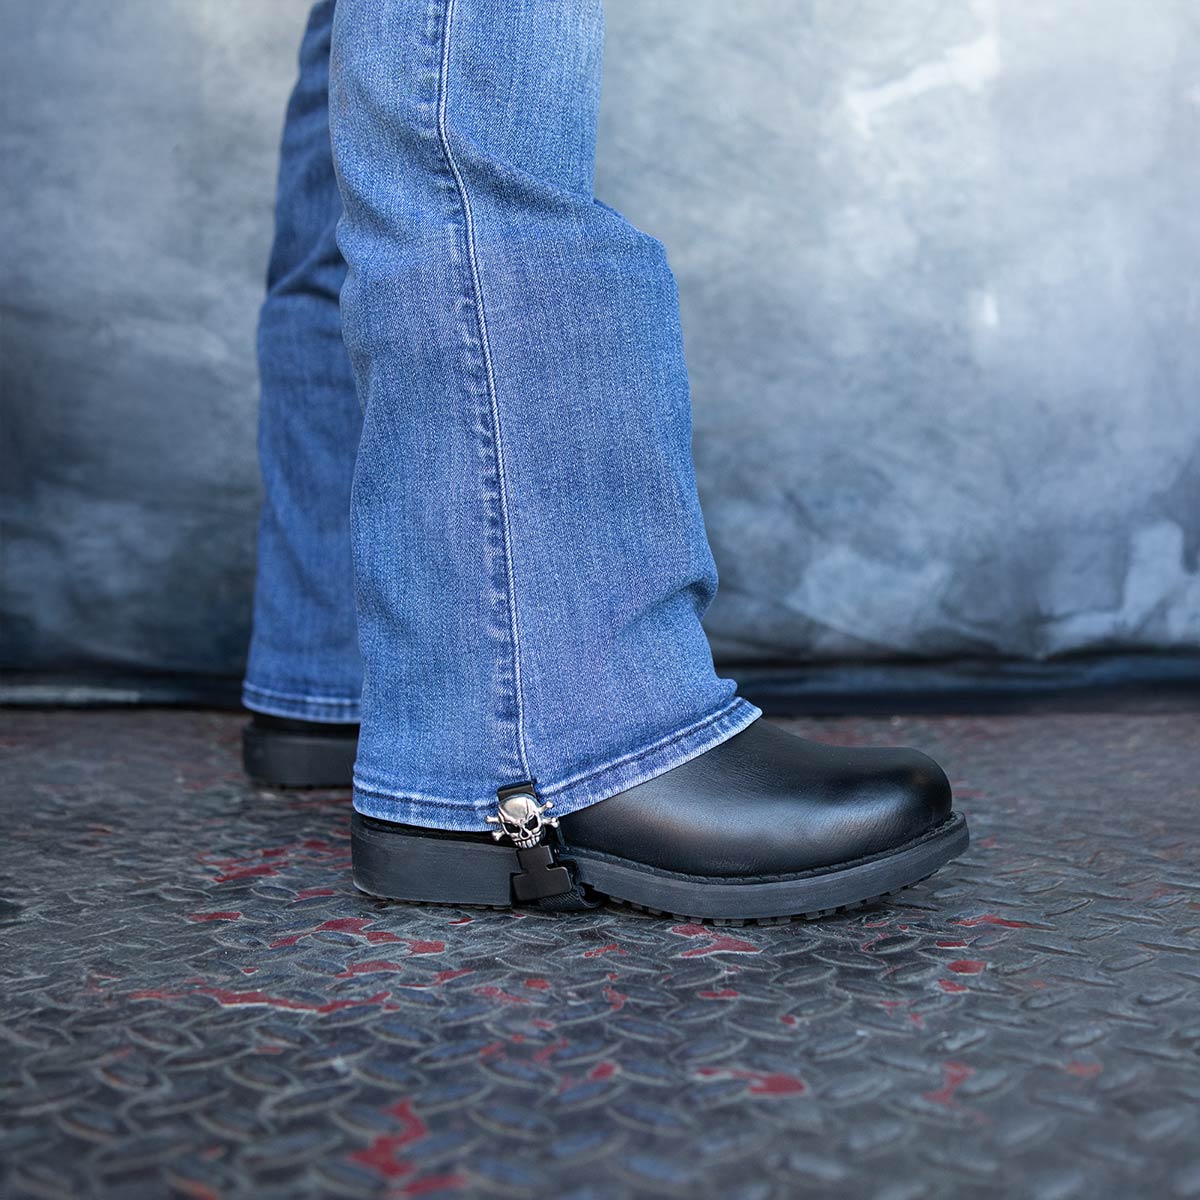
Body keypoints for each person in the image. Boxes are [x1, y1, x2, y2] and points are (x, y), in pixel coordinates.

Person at [240, 0, 968, 921]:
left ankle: (361, 675)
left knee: (394, 45)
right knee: (462, 73)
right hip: (528, 748)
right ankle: (548, 739)